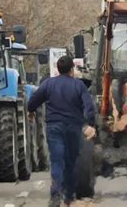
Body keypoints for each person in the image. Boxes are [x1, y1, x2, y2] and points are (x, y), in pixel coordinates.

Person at [27, 56, 96, 207]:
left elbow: (33, 101)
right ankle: (68, 197)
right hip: (73, 128)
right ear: (72, 69)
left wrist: (31, 111)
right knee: (70, 162)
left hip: (54, 127)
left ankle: (55, 195)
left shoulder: (48, 84)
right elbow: (89, 106)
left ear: (58, 69)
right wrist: (91, 123)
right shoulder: (79, 86)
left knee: (57, 161)